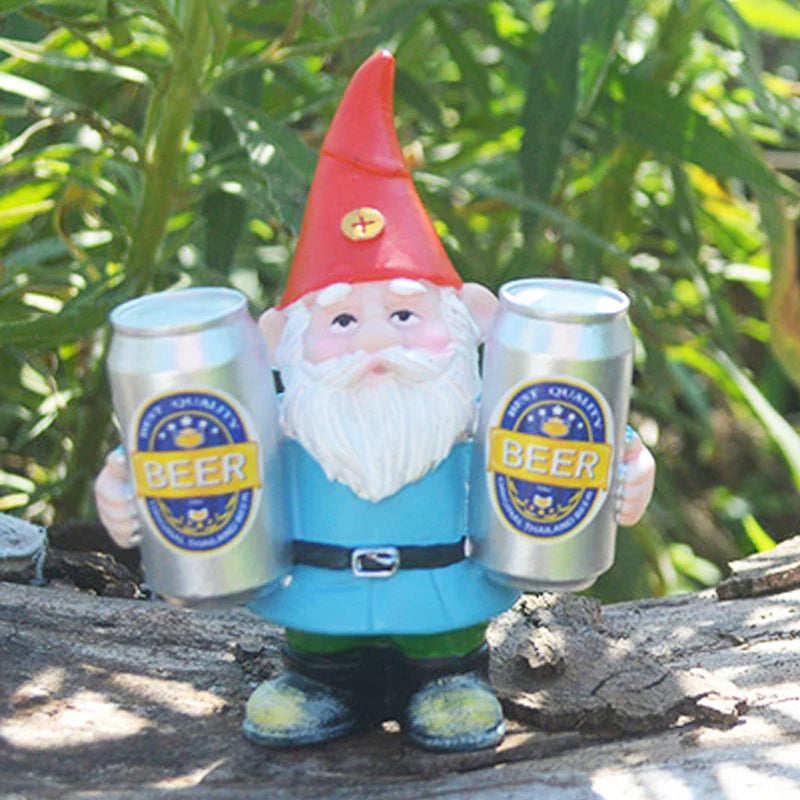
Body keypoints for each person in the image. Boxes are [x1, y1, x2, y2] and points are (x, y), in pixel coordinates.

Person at [95, 51, 655, 752]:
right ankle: (319, 680)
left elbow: (580, 439)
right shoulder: (277, 420)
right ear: (279, 342)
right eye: (340, 320)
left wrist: (630, 471)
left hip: (443, 596)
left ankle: (448, 678)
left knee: (445, 661)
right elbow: (182, 455)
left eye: (404, 314)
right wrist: (124, 486)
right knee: (319, 658)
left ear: (473, 321)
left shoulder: (486, 410)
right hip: (318, 597)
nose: (374, 343)